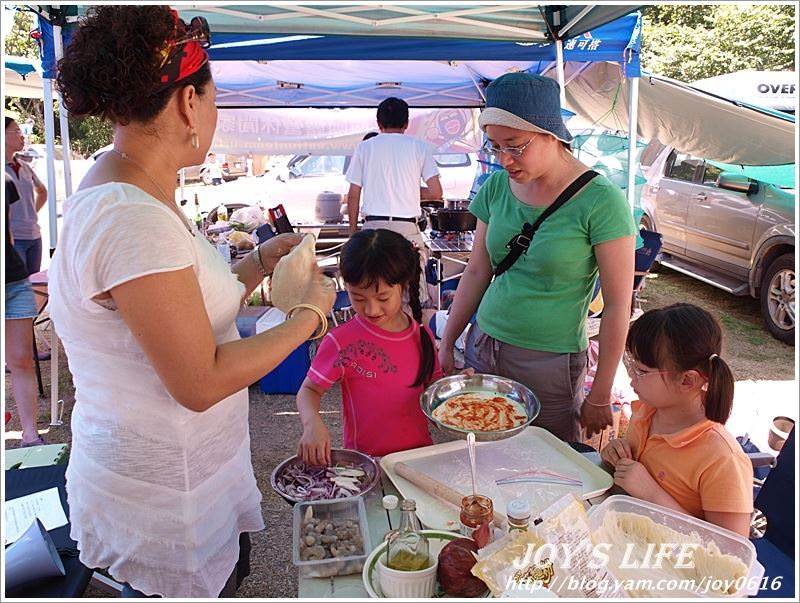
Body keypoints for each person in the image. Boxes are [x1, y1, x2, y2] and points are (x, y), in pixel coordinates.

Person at [50, 6, 334, 598]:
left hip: (182, 488)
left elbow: (179, 305)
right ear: (187, 104)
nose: (213, 114)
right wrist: (308, 317)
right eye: (213, 98)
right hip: (161, 512)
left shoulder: (129, 189)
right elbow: (199, 380)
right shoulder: (132, 217)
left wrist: (257, 263)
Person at [439, 72, 636, 443]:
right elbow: (479, 270)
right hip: (485, 343)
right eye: (495, 147)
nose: (504, 159)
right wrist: (450, 338)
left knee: (546, 461)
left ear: (551, 133)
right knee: (480, 446)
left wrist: (601, 391)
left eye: (514, 145)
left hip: (550, 361)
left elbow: (617, 307)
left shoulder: (601, 201)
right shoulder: (497, 186)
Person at [600, 304, 753, 537]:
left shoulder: (722, 459)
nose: (631, 377)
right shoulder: (647, 412)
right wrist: (616, 454)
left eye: (640, 370)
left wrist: (651, 494)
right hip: (624, 534)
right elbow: (630, 476)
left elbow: (731, 551)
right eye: (630, 364)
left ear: (687, 381)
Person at [296, 229, 442, 463]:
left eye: (383, 298)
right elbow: (309, 390)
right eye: (358, 298)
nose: (372, 310)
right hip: (366, 463)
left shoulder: (422, 336)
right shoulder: (341, 341)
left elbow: (434, 393)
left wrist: (459, 393)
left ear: (403, 286)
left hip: (418, 460)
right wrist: (312, 422)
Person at [345, 98, 442, 304]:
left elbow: (353, 195)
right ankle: (414, 333)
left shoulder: (365, 148)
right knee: (414, 298)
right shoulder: (419, 147)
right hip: (407, 230)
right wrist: (410, 191)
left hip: (372, 231)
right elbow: (436, 193)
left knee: (374, 293)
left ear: (379, 123)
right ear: (406, 123)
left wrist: (353, 233)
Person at [4, 172, 45, 447]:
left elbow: (7, 232)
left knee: (21, 360)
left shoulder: (5, 182)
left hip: (14, 279)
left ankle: (30, 434)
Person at [5, 117, 48, 275]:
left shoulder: (24, 166)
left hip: (34, 236)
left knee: (34, 286)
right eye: (16, 131)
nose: (22, 136)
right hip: (13, 240)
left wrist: (31, 212)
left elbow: (42, 192)